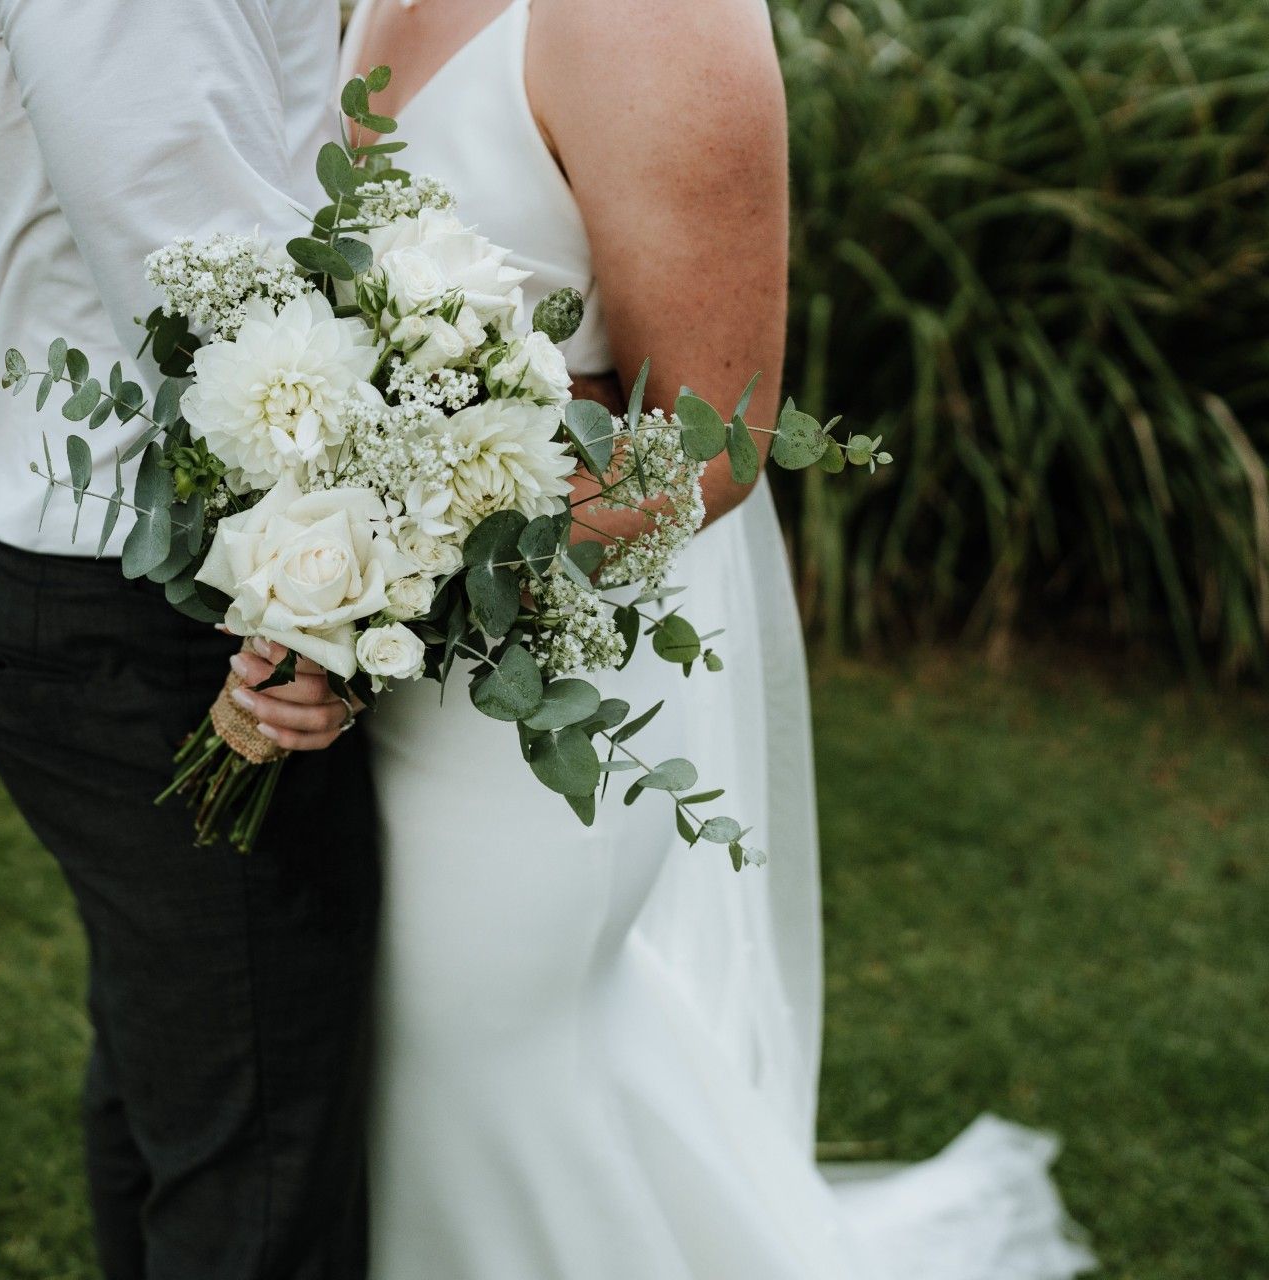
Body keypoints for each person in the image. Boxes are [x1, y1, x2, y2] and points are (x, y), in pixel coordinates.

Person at [234, 0, 1098, 1275]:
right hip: (384, 664)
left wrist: (384, 561)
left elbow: (713, 434)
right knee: (420, 1068)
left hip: (535, 700)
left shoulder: (658, 15)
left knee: (471, 1047)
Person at [0, 4, 373, 1278]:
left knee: (187, 1068)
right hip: (159, 587)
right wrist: (315, 594)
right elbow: (208, 293)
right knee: (256, 1140)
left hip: (71, 554)